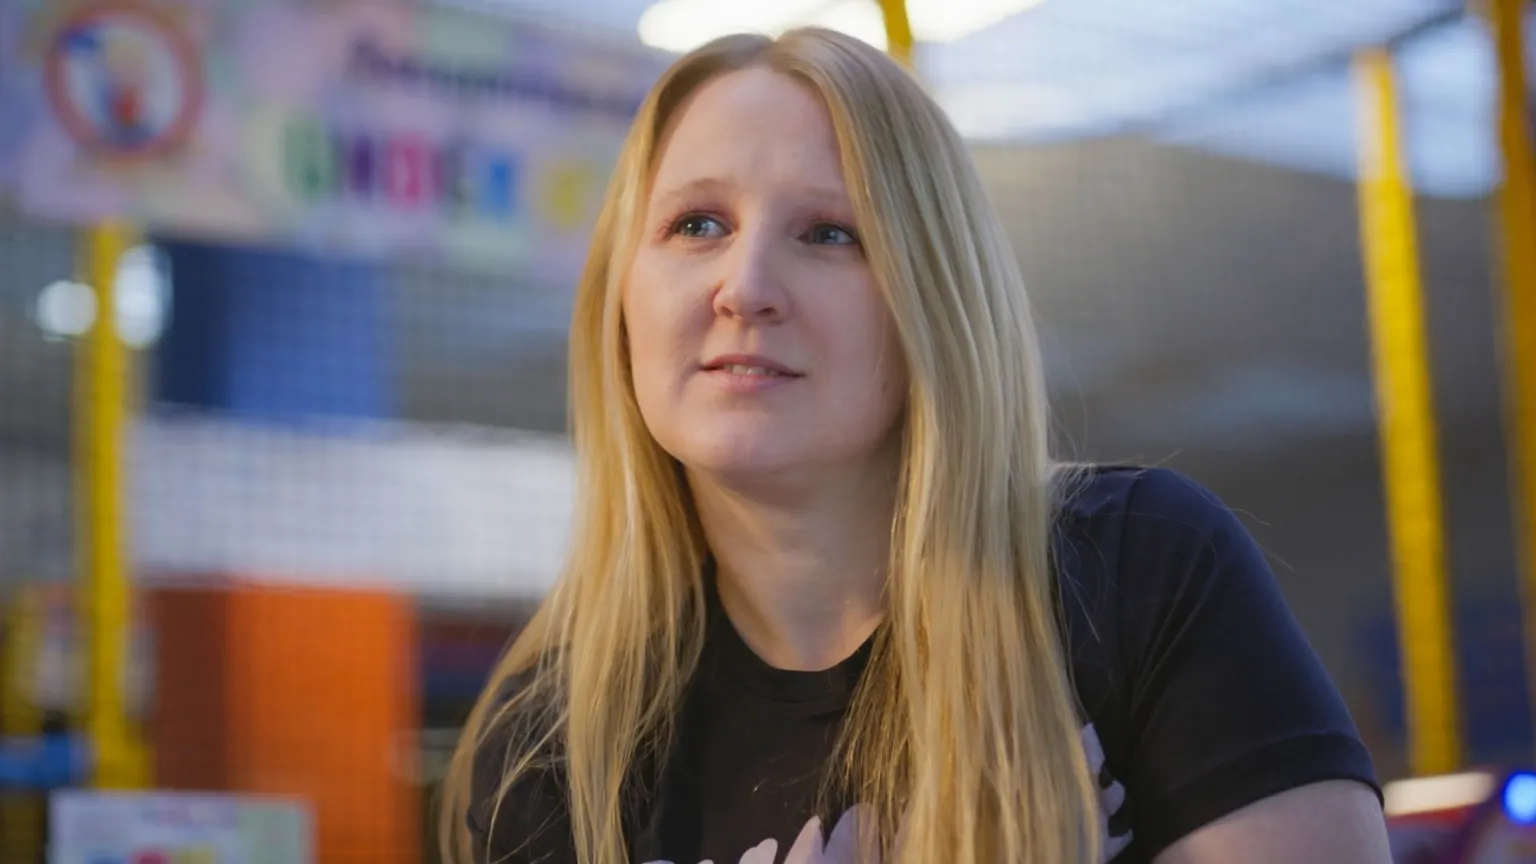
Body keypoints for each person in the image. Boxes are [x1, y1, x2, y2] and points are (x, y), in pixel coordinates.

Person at [440, 27, 1392, 864]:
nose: (746, 285)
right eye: (697, 225)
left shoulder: (1135, 570)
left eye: (828, 233)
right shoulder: (553, 747)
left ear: (929, 303)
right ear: (620, 303)